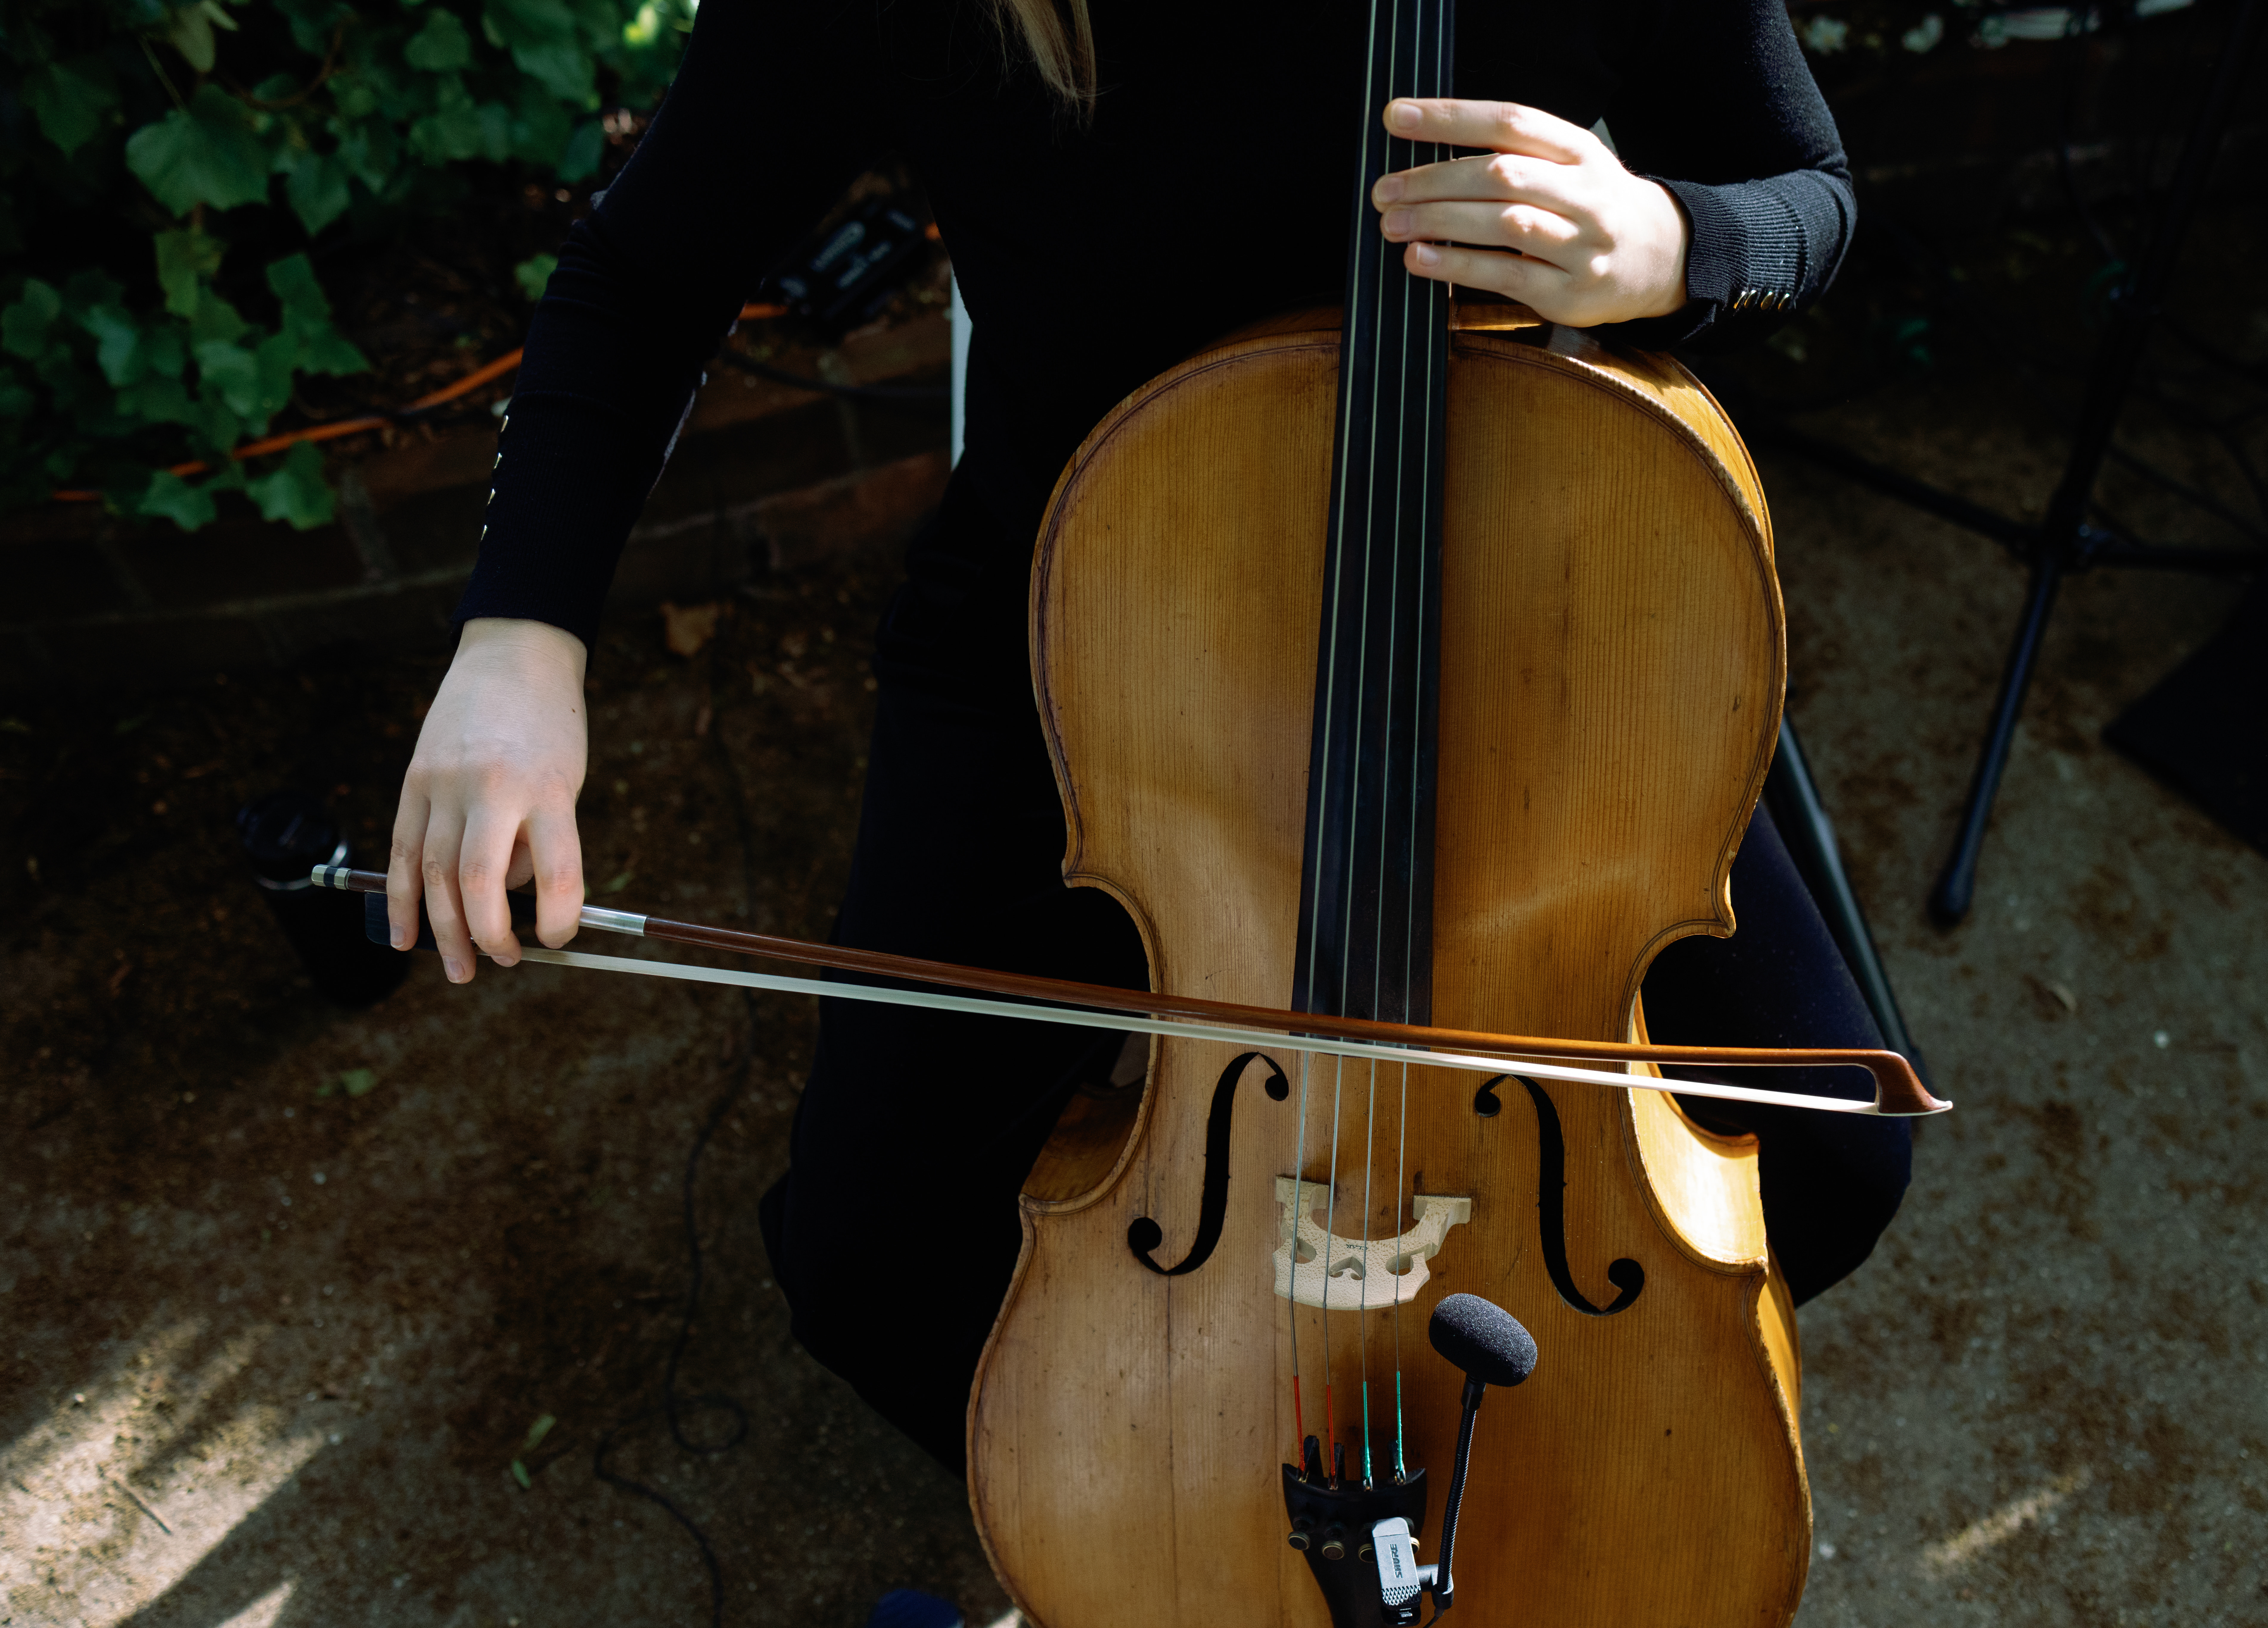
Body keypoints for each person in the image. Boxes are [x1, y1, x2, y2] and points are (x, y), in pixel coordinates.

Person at [386, 0, 1911, 1475]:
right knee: (879, 1274)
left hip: (1514, 610)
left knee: (1829, 1164)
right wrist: (519, 642)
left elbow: (1818, 202)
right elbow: (645, 268)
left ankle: (1501, 1470)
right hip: (1087, 611)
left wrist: (1672, 248)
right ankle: (1169, 1525)